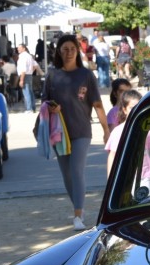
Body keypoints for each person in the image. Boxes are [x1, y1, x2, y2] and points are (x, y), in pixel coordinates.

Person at [41, 33, 110, 230]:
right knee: (67, 174)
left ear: (78, 51)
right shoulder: (52, 75)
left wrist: (106, 129)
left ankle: (78, 215)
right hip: (59, 132)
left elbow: (97, 104)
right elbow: (44, 101)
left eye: (72, 49)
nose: (69, 52)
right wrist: (51, 107)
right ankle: (79, 207)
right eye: (65, 49)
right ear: (59, 52)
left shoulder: (86, 75)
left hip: (82, 130)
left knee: (76, 170)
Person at [105, 89, 150, 194]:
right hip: (123, 178)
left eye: (139, 107)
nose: (135, 110)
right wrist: (110, 180)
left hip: (144, 177)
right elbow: (112, 156)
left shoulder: (147, 128)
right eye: (132, 108)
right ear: (124, 109)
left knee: (143, 203)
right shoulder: (118, 131)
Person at [16, 43, 38, 112]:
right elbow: (35, 65)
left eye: (19, 48)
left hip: (24, 75)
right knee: (30, 92)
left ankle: (29, 109)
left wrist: (21, 80)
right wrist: (31, 71)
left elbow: (23, 69)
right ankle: (33, 108)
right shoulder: (29, 56)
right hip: (29, 75)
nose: (18, 49)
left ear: (24, 48)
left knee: (26, 92)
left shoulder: (22, 56)